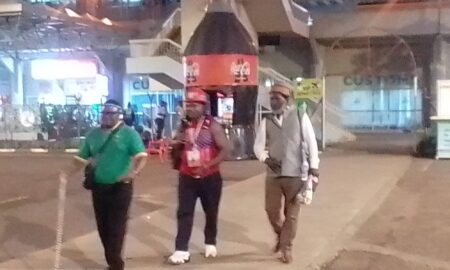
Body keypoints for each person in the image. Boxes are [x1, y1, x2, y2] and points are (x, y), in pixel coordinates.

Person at [59, 100, 148, 270]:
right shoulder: (93, 135)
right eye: (104, 113)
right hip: (99, 187)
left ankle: (115, 264)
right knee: (103, 227)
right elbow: (80, 159)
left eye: (111, 114)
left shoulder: (129, 134)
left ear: (118, 115)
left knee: (116, 226)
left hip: (120, 187)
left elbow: (141, 156)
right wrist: (66, 173)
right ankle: (112, 260)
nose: (106, 117)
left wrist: (134, 173)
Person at [253, 83, 320, 264]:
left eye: (277, 98)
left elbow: (312, 142)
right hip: (273, 175)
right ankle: (281, 236)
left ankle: (286, 248)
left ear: (287, 99)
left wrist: (314, 167)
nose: (274, 101)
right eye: (271, 98)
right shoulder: (266, 121)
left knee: (291, 214)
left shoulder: (299, 115)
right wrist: (265, 158)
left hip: (296, 174)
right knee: (271, 210)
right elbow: (258, 146)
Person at [168, 87, 231, 265]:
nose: (191, 108)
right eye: (188, 105)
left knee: (211, 212)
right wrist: (176, 143)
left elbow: (226, 149)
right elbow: (176, 144)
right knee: (184, 212)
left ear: (204, 107)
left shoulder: (213, 125)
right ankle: (181, 249)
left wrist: (209, 165)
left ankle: (210, 242)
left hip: (210, 177)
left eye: (195, 105)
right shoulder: (183, 125)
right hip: (187, 176)